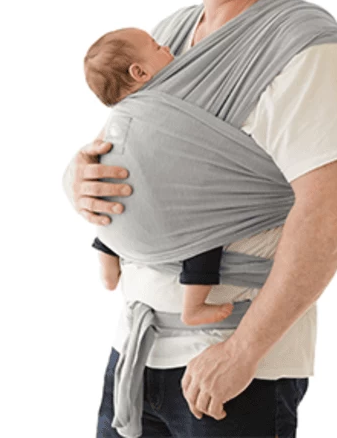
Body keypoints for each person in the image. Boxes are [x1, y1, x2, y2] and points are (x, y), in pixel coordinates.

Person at [62, 0, 337, 437]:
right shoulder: (168, 35)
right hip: (135, 353)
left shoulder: (308, 48)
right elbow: (127, 153)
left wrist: (242, 352)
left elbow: (334, 211)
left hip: (232, 368)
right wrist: (79, 180)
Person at [84, 27, 234, 327]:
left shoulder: (122, 113)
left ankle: (108, 266)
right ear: (139, 72)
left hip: (125, 194)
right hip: (168, 196)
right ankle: (193, 306)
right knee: (207, 232)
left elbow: (101, 147)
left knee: (109, 209)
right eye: (156, 47)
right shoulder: (172, 95)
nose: (167, 46)